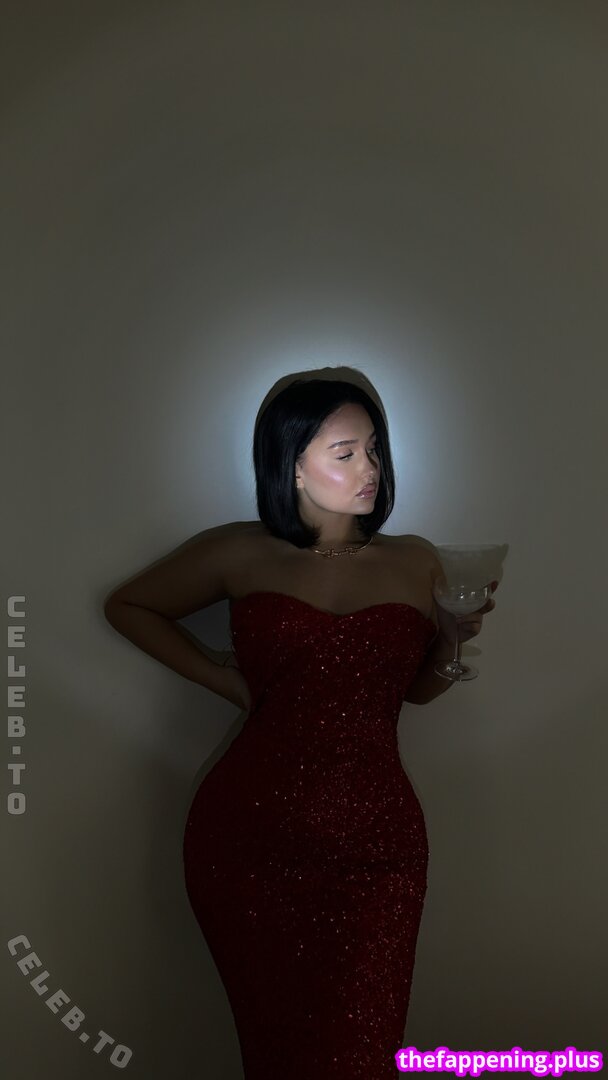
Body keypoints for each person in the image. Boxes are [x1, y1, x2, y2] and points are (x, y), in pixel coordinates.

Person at [104, 377, 497, 1078]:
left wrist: (448, 642)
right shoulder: (239, 552)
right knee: (278, 1054)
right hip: (249, 842)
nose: (370, 468)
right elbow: (129, 606)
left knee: (362, 1054)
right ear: (290, 466)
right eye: (345, 453)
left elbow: (417, 695)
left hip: (379, 848)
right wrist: (224, 678)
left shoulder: (416, 561)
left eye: (374, 449)